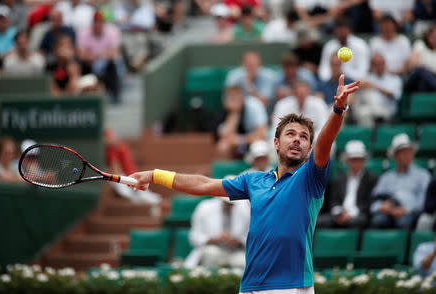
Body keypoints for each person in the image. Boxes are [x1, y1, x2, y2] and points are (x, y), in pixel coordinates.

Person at [127, 74, 360, 293]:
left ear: (309, 149)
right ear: (276, 143)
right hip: (251, 285)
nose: (298, 139)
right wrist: (156, 175)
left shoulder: (310, 178)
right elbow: (204, 185)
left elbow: (325, 142)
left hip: (292, 284)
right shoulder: (253, 180)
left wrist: (338, 110)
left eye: (304, 137)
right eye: (291, 134)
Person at [370, 133, 431, 229]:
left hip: (411, 212)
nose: (407, 156)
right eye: (403, 153)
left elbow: (424, 201)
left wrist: (406, 210)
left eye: (409, 152)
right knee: (378, 221)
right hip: (388, 212)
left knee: (403, 222)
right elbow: (375, 199)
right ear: (395, 156)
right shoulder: (386, 177)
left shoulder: (422, 175)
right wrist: (381, 207)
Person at [318, 140, 377, 228]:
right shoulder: (339, 179)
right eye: (354, 159)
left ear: (364, 160)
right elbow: (334, 201)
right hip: (340, 214)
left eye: (359, 159)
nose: (357, 163)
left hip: (359, 215)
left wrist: (350, 214)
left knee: (358, 221)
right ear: (347, 161)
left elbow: (369, 203)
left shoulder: (371, 179)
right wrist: (338, 213)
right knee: (319, 221)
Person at [185, 196, 250, 268]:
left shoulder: (245, 208)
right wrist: (214, 240)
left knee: (243, 262)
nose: (229, 205)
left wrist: (238, 242)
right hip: (212, 249)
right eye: (227, 203)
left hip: (236, 251)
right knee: (211, 254)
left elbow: (249, 238)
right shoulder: (204, 207)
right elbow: (194, 237)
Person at [77, 10, 125, 103]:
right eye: (96, 21)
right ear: (93, 22)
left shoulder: (112, 31)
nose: (98, 24)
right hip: (89, 64)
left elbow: (114, 53)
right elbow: (81, 54)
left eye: (100, 21)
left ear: (103, 23)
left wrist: (97, 56)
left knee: (112, 65)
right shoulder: (84, 32)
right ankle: (82, 98)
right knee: (81, 65)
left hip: (106, 64)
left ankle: (115, 96)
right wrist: (98, 56)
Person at [214, 85, 268, 158]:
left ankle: (259, 169)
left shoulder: (254, 105)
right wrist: (234, 113)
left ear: (242, 97)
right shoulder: (223, 111)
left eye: (236, 97)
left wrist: (240, 140)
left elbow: (261, 134)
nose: (234, 101)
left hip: (252, 141)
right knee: (223, 146)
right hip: (236, 145)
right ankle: (228, 169)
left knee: (259, 145)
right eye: (231, 98)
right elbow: (225, 136)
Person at [352, 53, 402, 127]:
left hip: (386, 111)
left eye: (380, 63)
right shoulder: (368, 77)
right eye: (376, 64)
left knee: (368, 100)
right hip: (369, 110)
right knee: (361, 111)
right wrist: (360, 86)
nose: (379, 66)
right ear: (372, 66)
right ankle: (368, 136)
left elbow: (393, 95)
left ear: (385, 64)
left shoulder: (394, 79)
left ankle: (374, 134)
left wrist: (375, 87)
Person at [318, 16, 369, 81]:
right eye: (339, 29)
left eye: (344, 29)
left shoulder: (360, 45)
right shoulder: (329, 46)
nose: (341, 32)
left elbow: (363, 72)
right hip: (333, 82)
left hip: (355, 83)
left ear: (350, 30)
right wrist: (331, 78)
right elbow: (323, 70)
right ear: (335, 30)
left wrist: (342, 73)